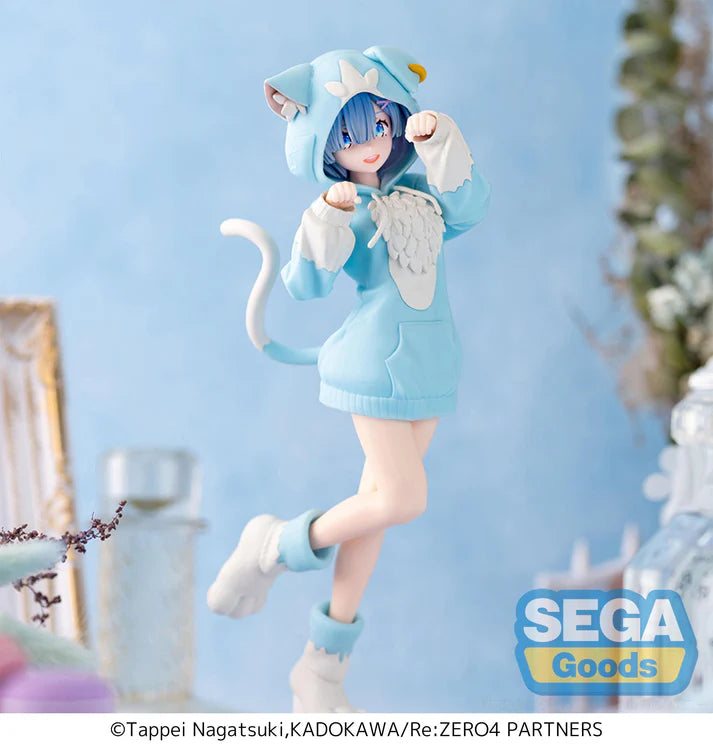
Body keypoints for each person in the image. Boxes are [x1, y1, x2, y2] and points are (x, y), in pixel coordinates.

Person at [209, 46, 490, 712]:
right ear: (325, 145)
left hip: (431, 362)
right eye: (350, 135)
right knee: (402, 498)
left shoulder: (421, 194)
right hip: (376, 363)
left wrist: (440, 140)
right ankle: (275, 544)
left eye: (380, 125)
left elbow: (471, 206)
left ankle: (322, 667)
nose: (371, 144)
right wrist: (329, 217)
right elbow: (305, 285)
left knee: (376, 511)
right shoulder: (344, 206)